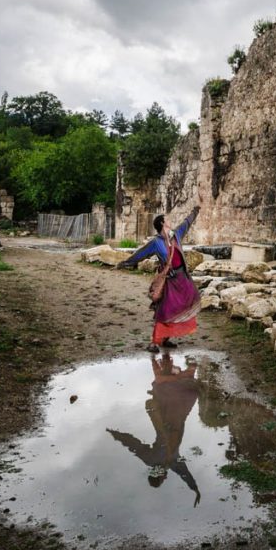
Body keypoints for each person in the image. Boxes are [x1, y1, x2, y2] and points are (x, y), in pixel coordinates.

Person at [106, 353, 201, 506]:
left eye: (163, 479)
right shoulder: (173, 464)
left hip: (163, 423)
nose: (165, 477)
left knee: (166, 394)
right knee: (186, 394)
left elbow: (133, 445)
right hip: (177, 423)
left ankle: (170, 364)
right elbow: (185, 475)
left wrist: (117, 435)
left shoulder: (152, 460)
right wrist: (194, 488)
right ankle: (189, 366)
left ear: (160, 476)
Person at [117, 206, 201, 353]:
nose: (170, 220)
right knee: (165, 311)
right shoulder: (156, 242)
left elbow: (186, 223)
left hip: (183, 279)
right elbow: (141, 253)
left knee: (181, 308)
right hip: (169, 282)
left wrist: (195, 212)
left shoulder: (176, 235)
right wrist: (125, 263)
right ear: (162, 223)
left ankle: (165, 339)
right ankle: (154, 343)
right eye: (167, 219)